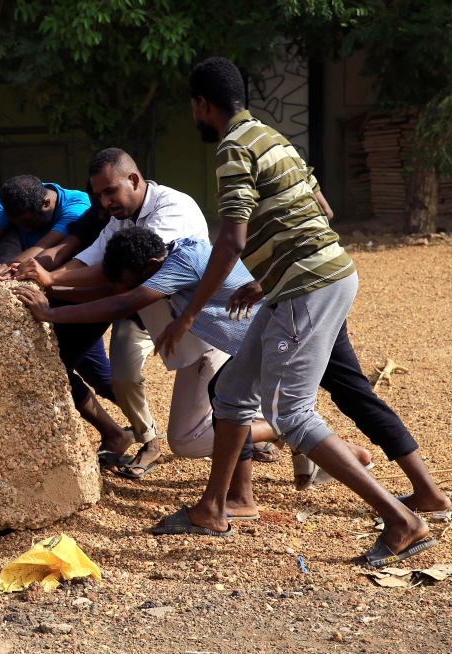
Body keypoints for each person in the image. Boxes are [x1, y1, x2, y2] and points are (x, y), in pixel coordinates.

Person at [150, 56, 433, 566]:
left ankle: (403, 521)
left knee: (291, 412)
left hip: (309, 287)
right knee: (234, 389)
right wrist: (267, 280)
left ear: (202, 104)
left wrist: (189, 313)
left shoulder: (233, 149)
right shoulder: (271, 137)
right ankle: (214, 507)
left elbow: (232, 240)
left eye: (193, 108)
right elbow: (320, 210)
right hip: (309, 280)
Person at [13, 228, 385, 502]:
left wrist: (50, 314)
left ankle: (245, 495)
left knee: (267, 417)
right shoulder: (176, 253)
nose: (144, 296)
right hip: (256, 344)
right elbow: (117, 294)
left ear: (154, 266)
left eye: (141, 283)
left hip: (270, 343)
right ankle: (246, 490)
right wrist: (52, 289)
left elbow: (121, 304)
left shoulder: (180, 265)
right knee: (234, 412)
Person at [15, 149, 209, 477]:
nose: (104, 202)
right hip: (145, 310)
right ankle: (149, 440)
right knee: (121, 379)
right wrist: (48, 279)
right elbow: (94, 256)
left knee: (221, 394)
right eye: (98, 195)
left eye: (109, 191)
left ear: (134, 180)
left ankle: (275, 434)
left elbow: (117, 276)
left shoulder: (173, 208)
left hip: (195, 313)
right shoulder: (118, 217)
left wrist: (51, 284)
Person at [0, 175, 89, 279]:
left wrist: (9, 267)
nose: (27, 230)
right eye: (19, 225)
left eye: (30, 223)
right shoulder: (6, 203)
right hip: (26, 268)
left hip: (70, 276)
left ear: (46, 203)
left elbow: (44, 246)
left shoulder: (77, 206)